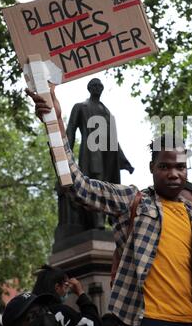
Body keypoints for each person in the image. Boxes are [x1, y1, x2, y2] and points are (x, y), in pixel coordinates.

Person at [26, 84, 192, 326]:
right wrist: (54, 124)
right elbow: (77, 185)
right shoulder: (134, 201)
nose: (174, 173)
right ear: (152, 168)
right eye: (165, 166)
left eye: (180, 167)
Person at [56, 77, 134, 232]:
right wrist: (63, 156)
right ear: (89, 88)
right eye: (94, 85)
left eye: (100, 85)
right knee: (94, 185)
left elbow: (113, 140)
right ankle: (97, 222)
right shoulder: (80, 107)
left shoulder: (107, 113)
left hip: (108, 157)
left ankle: (106, 220)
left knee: (108, 186)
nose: (98, 88)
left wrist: (124, 161)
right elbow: (70, 131)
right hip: (91, 154)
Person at [31, 264, 101, 326]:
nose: (67, 291)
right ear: (57, 287)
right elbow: (95, 324)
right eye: (66, 286)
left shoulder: (30, 313)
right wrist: (81, 293)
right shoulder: (62, 312)